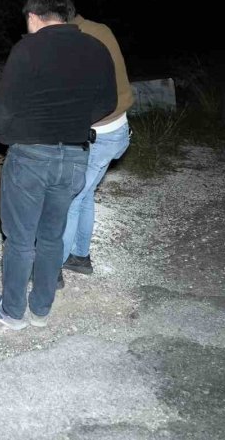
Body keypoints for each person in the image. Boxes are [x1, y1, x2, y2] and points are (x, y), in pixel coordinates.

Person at [0, 0, 117, 330]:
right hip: (74, 156)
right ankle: (41, 309)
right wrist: (75, 122)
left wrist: (9, 137)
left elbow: (2, 110)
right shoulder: (96, 48)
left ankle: (12, 312)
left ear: (33, 17)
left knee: (21, 239)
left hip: (31, 157)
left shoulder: (28, 49)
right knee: (52, 236)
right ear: (66, 16)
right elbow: (108, 103)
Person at [60, 14, 134, 275]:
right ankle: (80, 257)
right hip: (117, 129)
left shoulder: (77, 43)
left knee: (69, 198)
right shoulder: (99, 28)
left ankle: (53, 267)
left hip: (99, 135)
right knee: (85, 193)